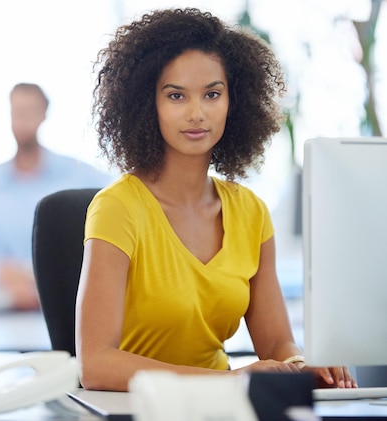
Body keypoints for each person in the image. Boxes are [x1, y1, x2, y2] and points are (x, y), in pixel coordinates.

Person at [75, 8, 356, 392]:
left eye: (212, 94)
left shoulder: (250, 211)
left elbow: (275, 343)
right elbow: (96, 365)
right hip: (134, 409)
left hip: (220, 407)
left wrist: (301, 366)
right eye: (176, 96)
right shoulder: (117, 208)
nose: (197, 113)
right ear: (146, 104)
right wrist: (228, 382)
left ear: (234, 101)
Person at [0, 82, 113, 311]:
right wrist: (4, 277)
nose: (22, 120)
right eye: (16, 112)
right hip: (4, 300)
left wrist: (37, 280)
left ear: (43, 115)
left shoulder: (80, 176)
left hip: (67, 297)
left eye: (29, 112)